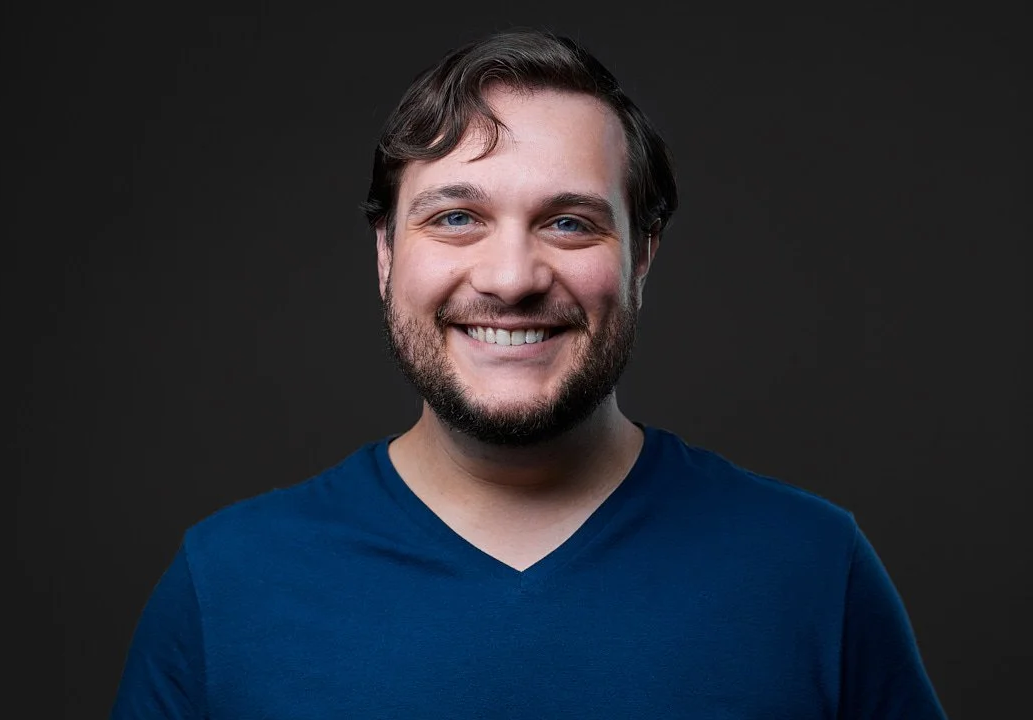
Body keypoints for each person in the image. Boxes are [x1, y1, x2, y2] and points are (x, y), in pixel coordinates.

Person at [111, 28, 946, 718]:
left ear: (642, 256)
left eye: (571, 223)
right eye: (457, 217)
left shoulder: (810, 569)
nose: (511, 278)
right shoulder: (228, 584)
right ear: (386, 254)